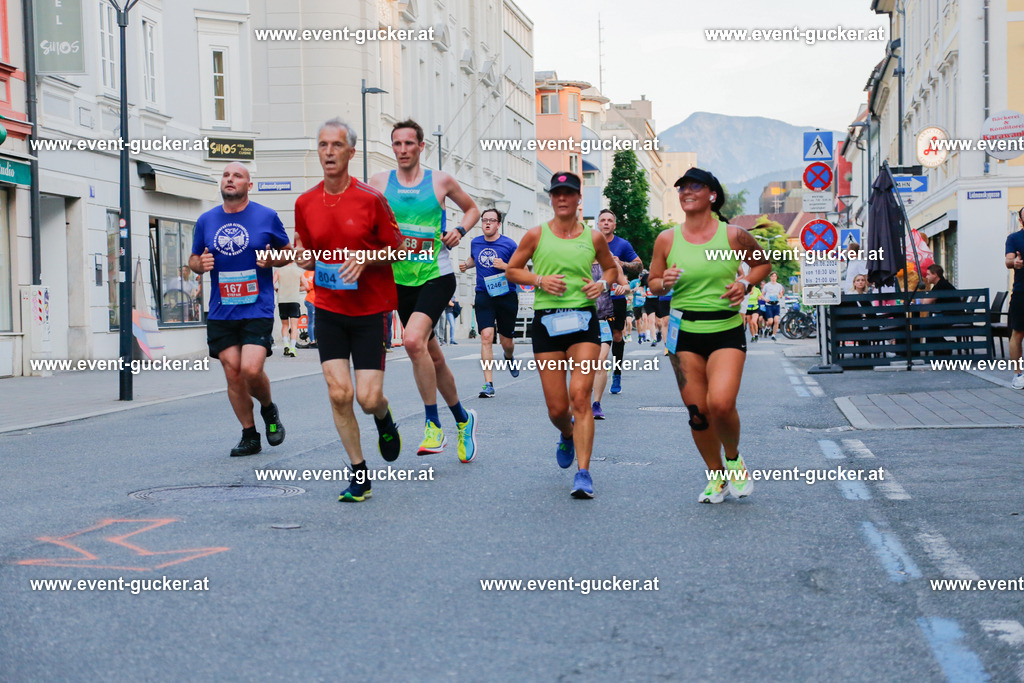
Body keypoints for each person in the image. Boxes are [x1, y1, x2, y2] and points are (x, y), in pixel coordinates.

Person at [293, 118, 404, 502]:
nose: (328, 152)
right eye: (323, 145)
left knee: (367, 398)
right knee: (339, 393)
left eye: (336, 145)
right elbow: (304, 251)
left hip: (371, 310)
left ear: (351, 152)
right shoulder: (304, 202)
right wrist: (303, 259)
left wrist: (366, 258)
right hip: (329, 307)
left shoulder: (371, 199)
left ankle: (384, 418)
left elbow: (399, 250)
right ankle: (359, 472)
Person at [648, 168, 770, 504]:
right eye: (682, 188)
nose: (686, 192)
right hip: (683, 332)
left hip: (725, 329)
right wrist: (664, 282)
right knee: (698, 412)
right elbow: (653, 281)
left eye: (694, 187)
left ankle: (733, 458)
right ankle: (716, 475)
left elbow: (763, 265)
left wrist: (745, 283)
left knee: (720, 403)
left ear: (712, 195)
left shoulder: (732, 236)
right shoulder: (667, 239)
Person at [370, 119, 480, 461]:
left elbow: (473, 209)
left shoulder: (440, 180)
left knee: (414, 341)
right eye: (397, 144)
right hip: (400, 281)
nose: (403, 150)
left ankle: (433, 426)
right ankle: (463, 419)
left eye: (409, 144)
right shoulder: (377, 182)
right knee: (433, 356)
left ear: (420, 147)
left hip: (436, 274)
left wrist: (459, 230)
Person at [506, 171, 617, 498]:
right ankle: (567, 434)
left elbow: (610, 268)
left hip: (584, 321)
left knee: (580, 396)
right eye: (557, 193)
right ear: (552, 198)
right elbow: (513, 270)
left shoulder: (593, 237)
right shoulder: (535, 235)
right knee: (557, 409)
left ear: (579, 198)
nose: (563, 198)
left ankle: (583, 473)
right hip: (547, 325)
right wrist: (539, 280)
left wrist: (603, 284)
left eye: (569, 193)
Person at [190, 162, 291, 457]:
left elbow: (287, 254)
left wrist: (273, 259)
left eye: (237, 176)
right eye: (226, 175)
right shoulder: (206, 220)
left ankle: (269, 409)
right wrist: (199, 265)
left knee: (250, 368)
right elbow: (194, 258)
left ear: (249, 185)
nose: (230, 179)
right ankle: (250, 434)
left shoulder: (266, 216)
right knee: (233, 374)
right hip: (221, 310)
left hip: (256, 306)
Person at [460, 207, 520, 398]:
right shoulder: (475, 242)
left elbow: (522, 269)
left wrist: (505, 266)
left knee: (506, 341)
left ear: (498, 224)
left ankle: (509, 357)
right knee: (486, 337)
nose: (487, 223)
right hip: (484, 294)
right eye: (485, 220)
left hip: (506, 295)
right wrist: (466, 264)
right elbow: (474, 259)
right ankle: (488, 383)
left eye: (492, 220)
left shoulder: (509, 245)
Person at [597, 209, 643, 394]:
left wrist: (622, 263)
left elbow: (639, 266)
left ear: (614, 225)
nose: (606, 223)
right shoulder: (590, 243)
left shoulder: (622, 244)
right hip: (597, 299)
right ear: (598, 224)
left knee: (617, 336)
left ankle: (616, 373)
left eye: (610, 220)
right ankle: (597, 372)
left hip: (616, 297)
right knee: (594, 339)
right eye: (603, 220)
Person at [591, 259, 629, 420]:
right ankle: (580, 403)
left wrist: (623, 288)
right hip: (580, 318)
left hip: (602, 319)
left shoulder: (610, 263)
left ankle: (596, 404)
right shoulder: (574, 260)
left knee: (600, 360)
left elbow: (626, 286)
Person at [1006, 207, 1024, 388]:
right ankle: (1018, 374)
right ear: (1021, 220)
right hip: (1022, 292)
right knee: (1017, 333)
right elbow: (1008, 261)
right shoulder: (1014, 238)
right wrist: (1015, 263)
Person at [274, 262, 304, 356]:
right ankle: (292, 348)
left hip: (282, 300)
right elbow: (306, 286)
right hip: (294, 300)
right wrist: (296, 289)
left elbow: (271, 283)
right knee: (294, 326)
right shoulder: (298, 271)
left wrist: (277, 289)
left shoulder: (278, 271)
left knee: (285, 325)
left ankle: (286, 344)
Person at [762, 271, 785, 340]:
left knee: (776, 321)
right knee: (770, 321)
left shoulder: (779, 285)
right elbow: (761, 295)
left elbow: (781, 295)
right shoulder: (767, 286)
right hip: (769, 305)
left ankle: (773, 335)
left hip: (776, 304)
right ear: (770, 277)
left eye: (775, 276)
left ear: (776, 277)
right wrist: (765, 299)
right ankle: (767, 328)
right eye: (772, 276)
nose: (773, 278)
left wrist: (779, 296)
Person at [299, 268, 317, 349]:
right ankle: (312, 341)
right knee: (312, 321)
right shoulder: (307, 273)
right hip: (311, 301)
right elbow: (302, 286)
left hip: (318, 301)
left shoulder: (318, 271)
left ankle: (316, 340)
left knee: (317, 321)